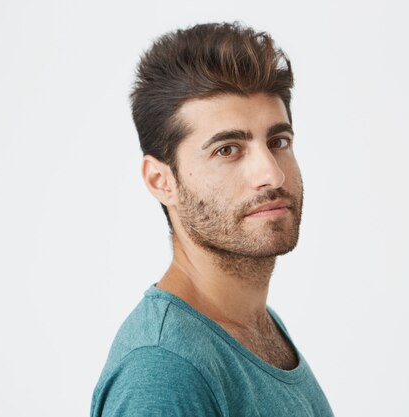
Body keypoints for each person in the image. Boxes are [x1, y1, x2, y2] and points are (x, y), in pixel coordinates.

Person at [90, 22, 334, 417]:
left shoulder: (256, 326)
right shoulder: (163, 370)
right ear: (161, 180)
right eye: (227, 150)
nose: (272, 174)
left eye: (278, 142)